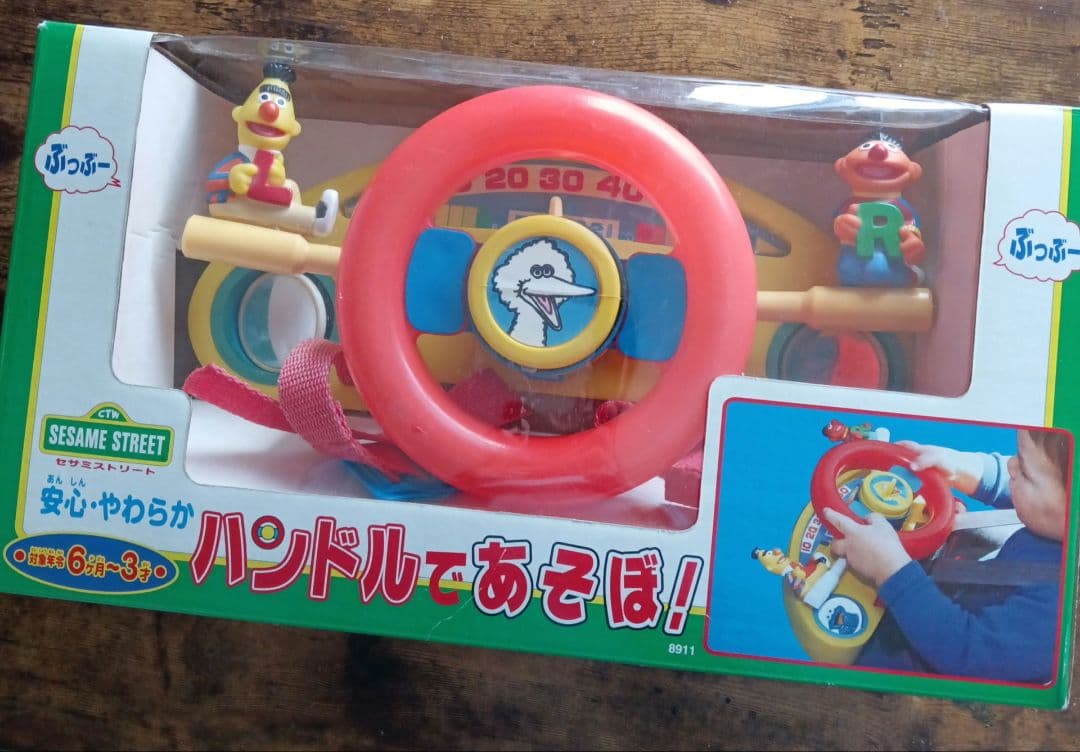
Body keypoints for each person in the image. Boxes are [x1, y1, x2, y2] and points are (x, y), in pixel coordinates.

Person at [824, 429, 1071, 683]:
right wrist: (960, 466)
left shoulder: (1057, 621)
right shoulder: (1057, 521)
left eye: (1025, 471)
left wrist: (890, 570)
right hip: (966, 588)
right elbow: (1020, 478)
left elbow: (969, 655)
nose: (1010, 466)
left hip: (925, 672)